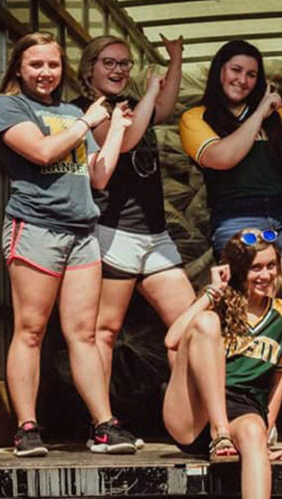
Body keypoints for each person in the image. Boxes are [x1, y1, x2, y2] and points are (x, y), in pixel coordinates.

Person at [0, 31, 135, 456]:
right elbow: (42, 152)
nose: (46, 72)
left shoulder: (70, 112)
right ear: (19, 68)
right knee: (31, 330)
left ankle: (104, 425)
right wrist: (87, 122)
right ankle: (26, 429)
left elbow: (98, 176)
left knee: (84, 335)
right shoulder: (9, 107)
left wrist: (115, 131)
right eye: (36, 64)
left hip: (82, 232)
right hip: (36, 227)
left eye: (53, 64)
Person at [73, 34, 196, 440]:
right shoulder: (88, 109)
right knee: (105, 331)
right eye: (109, 62)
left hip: (155, 235)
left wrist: (175, 59)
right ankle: (102, 424)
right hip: (115, 231)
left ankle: (190, 418)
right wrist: (148, 94)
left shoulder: (130, 105)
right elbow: (122, 142)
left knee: (191, 325)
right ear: (89, 68)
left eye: (124, 63)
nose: (118, 69)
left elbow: (164, 107)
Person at [162, 228, 282, 499]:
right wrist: (212, 292)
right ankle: (219, 431)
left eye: (271, 266)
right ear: (238, 271)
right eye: (255, 268)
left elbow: (278, 379)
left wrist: (267, 427)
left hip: (243, 407)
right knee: (205, 323)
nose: (265, 275)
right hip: (195, 411)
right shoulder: (219, 303)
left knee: (252, 432)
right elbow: (172, 340)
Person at [179, 40, 282, 316]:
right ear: (219, 71)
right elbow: (221, 158)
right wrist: (259, 113)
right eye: (236, 70)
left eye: (251, 74)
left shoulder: (276, 116)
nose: (242, 80)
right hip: (237, 214)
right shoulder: (196, 117)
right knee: (250, 308)